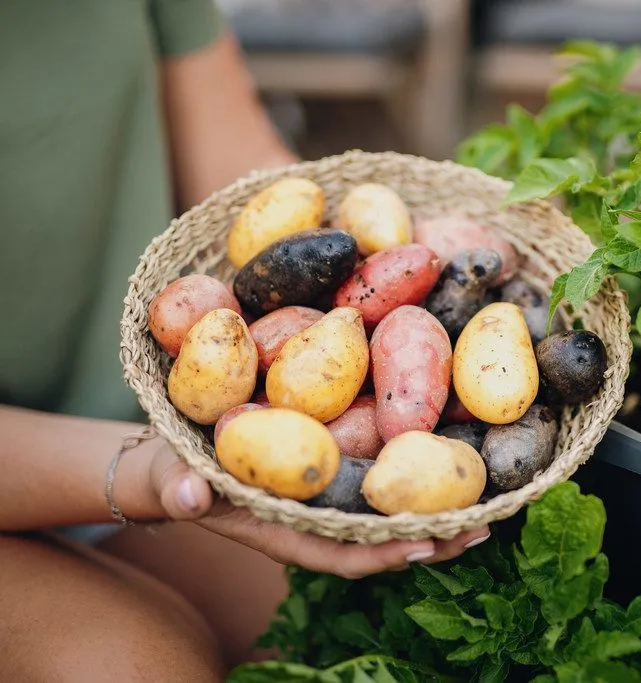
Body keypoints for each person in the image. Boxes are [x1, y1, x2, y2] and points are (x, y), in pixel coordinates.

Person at [0, 2, 489, 681]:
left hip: (163, 415)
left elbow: (245, 172)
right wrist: (154, 473)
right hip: (110, 452)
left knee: (373, 623)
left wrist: (397, 245)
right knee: (141, 668)